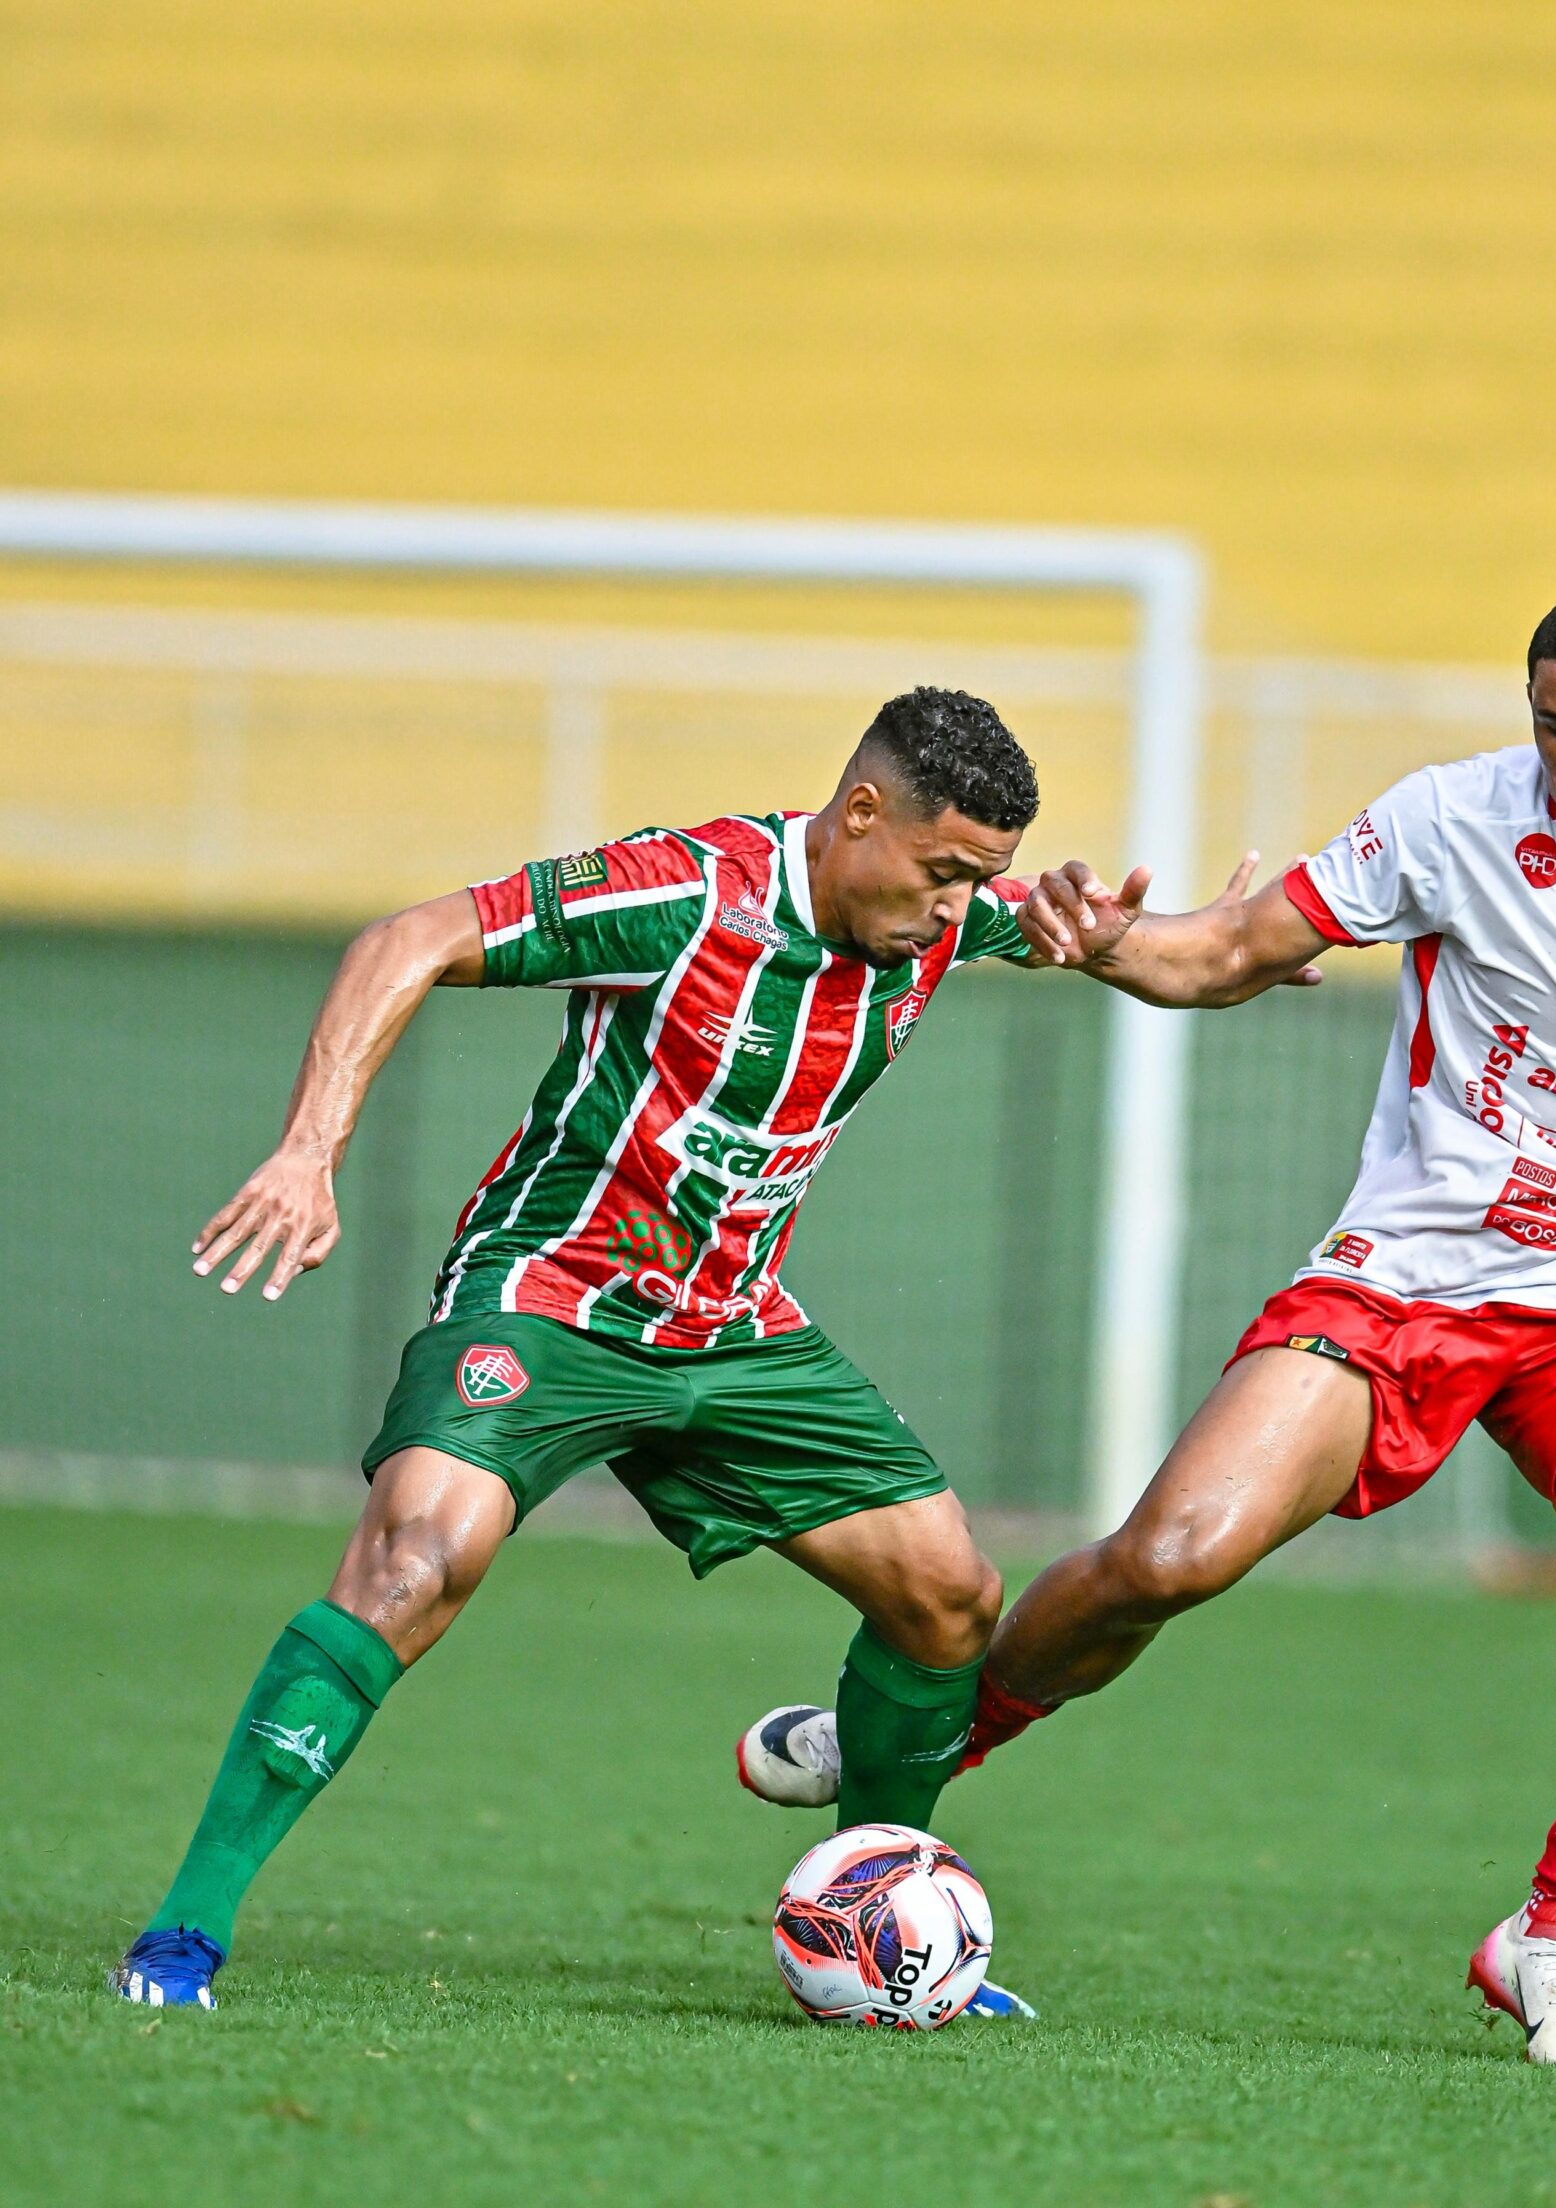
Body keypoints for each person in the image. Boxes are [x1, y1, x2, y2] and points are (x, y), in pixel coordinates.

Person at [742, 577, 1556, 2065]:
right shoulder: (1449, 819)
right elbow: (1228, 951)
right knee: (1170, 1558)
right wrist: (1104, 942)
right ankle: (920, 1730)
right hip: (1405, 1283)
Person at [112, 686, 1054, 2015]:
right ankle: (183, 1934)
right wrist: (309, 1151)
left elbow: (1155, 948)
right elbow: (407, 939)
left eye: (980, 881)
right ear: (860, 814)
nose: (958, 907)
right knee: (417, 1559)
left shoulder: (939, 919)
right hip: (552, 1295)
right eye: (945, 871)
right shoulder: (685, 892)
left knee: (947, 1597)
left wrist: (1249, 937)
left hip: (730, 1324)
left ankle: (888, 1915)